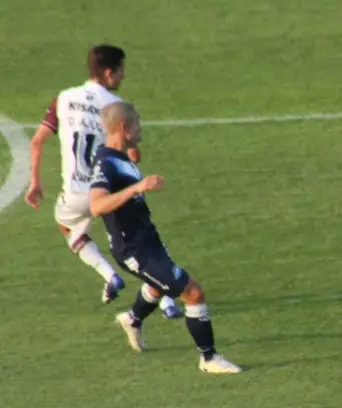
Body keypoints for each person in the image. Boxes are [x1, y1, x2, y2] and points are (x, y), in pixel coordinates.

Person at [24, 45, 181, 318]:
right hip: (108, 188)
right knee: (139, 241)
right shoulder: (114, 107)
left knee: (67, 225)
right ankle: (167, 301)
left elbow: (37, 142)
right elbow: (133, 154)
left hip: (74, 191)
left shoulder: (63, 98)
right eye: (121, 71)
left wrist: (35, 182)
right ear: (109, 73)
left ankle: (108, 275)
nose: (123, 77)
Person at [90, 102, 242, 374]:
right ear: (124, 128)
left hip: (147, 239)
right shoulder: (106, 163)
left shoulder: (120, 156)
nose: (141, 127)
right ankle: (208, 359)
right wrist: (139, 186)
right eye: (137, 123)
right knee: (193, 292)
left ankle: (133, 319)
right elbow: (97, 206)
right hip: (134, 249)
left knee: (159, 285)